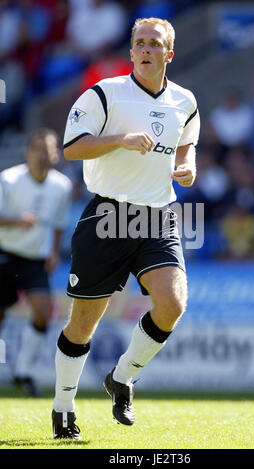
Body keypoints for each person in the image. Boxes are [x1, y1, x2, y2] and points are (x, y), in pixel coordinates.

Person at [52, 17, 200, 440]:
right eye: (140, 43)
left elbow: (187, 141)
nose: (147, 49)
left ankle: (121, 379)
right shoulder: (104, 94)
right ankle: (63, 409)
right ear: (131, 51)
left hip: (158, 216)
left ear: (168, 54)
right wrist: (120, 138)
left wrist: (187, 167)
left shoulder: (184, 101)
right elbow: (72, 147)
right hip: (106, 217)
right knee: (83, 323)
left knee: (172, 305)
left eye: (156, 43)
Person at [0, 128, 72, 396]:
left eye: (49, 149)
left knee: (43, 312)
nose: (43, 155)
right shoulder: (8, 180)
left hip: (35, 259)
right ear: (27, 152)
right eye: (38, 149)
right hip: (5, 253)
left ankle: (23, 371)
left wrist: (54, 251)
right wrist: (17, 220)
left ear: (56, 154)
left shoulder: (61, 185)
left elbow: (59, 224)